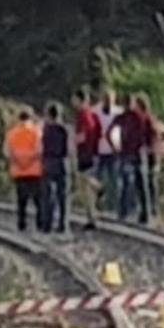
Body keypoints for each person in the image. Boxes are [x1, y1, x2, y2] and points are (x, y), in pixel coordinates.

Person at [109, 93, 154, 225]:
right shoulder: (141, 116)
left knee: (127, 184)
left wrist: (115, 146)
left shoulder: (126, 117)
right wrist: (148, 147)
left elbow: (109, 132)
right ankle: (142, 214)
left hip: (129, 153)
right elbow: (152, 133)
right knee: (139, 185)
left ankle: (125, 212)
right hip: (135, 153)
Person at [4, 107, 44, 232]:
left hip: (18, 170)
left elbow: (7, 152)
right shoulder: (36, 132)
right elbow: (39, 150)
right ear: (31, 118)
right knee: (38, 200)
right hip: (34, 170)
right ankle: (40, 223)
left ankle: (22, 223)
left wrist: (19, 161)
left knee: (21, 200)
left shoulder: (11, 133)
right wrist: (29, 160)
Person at [72, 88, 102, 231]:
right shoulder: (91, 113)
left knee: (84, 184)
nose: (73, 102)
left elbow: (83, 134)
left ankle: (99, 187)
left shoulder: (83, 115)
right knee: (85, 188)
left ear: (80, 99)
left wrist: (73, 141)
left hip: (85, 154)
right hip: (90, 152)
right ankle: (91, 217)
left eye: (75, 99)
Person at [39, 103, 70, 234]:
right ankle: (63, 224)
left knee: (47, 195)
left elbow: (41, 146)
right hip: (62, 162)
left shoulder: (45, 129)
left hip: (48, 161)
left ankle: (47, 224)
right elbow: (68, 148)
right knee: (63, 196)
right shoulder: (64, 129)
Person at [94, 88, 120, 213]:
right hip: (98, 150)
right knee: (98, 180)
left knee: (114, 179)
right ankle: (97, 203)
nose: (108, 101)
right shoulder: (95, 112)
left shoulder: (118, 112)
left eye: (110, 99)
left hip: (113, 150)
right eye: (106, 98)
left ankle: (113, 205)